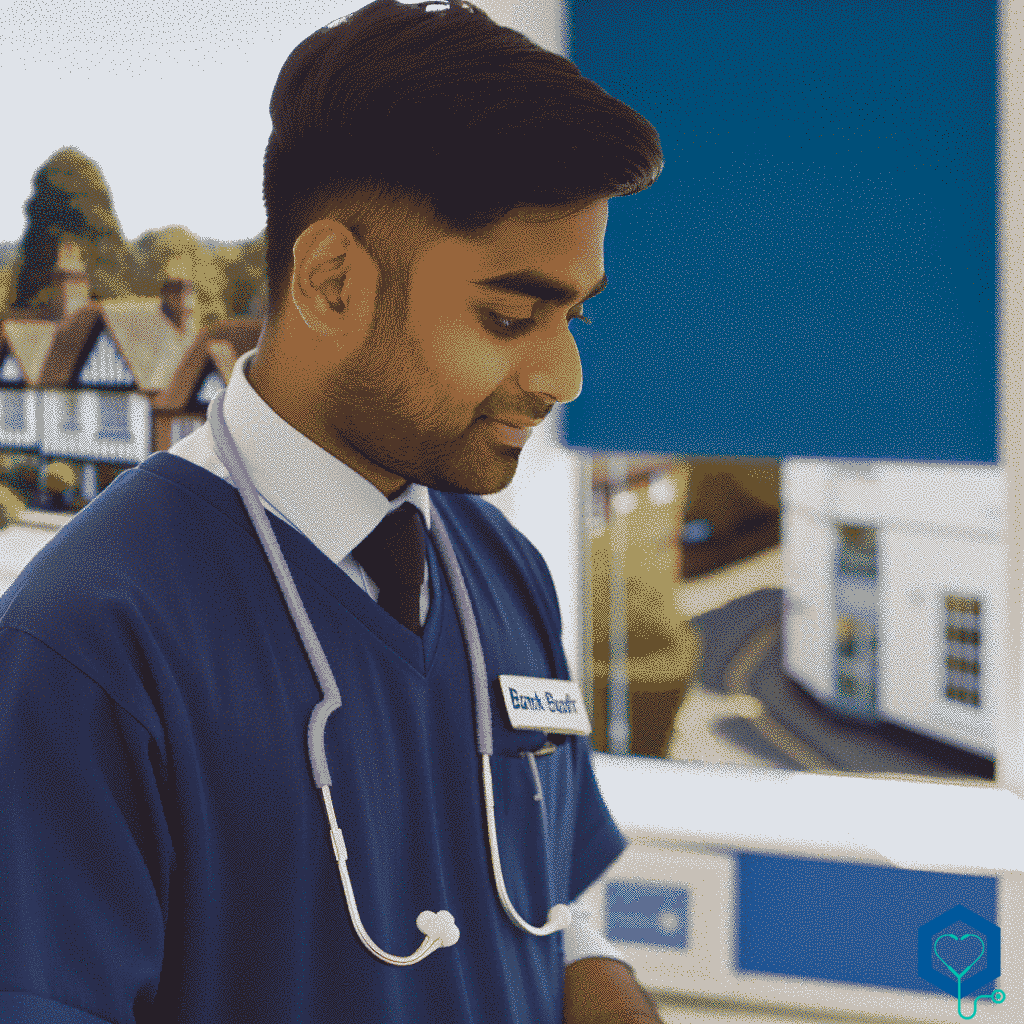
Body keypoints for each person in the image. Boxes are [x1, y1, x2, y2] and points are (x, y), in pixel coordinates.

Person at [0, 2, 665, 1021]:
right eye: (507, 315)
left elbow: (532, 896)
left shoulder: (506, 572)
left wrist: (593, 971)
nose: (563, 373)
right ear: (332, 281)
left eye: (574, 314)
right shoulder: (90, 637)